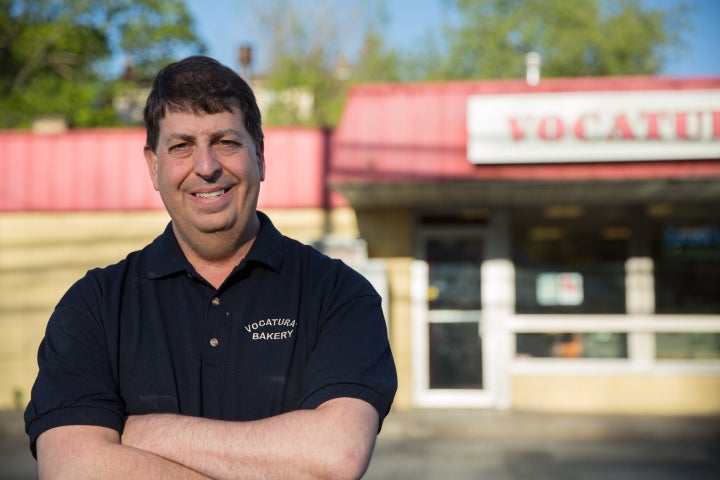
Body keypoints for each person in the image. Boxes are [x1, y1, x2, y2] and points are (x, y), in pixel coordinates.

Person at [24, 55, 397, 479]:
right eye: (181, 146)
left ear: (259, 153)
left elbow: (334, 457)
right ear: (154, 165)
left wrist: (147, 432)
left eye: (226, 142)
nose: (206, 167)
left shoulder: (338, 294)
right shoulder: (94, 306)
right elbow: (73, 469)